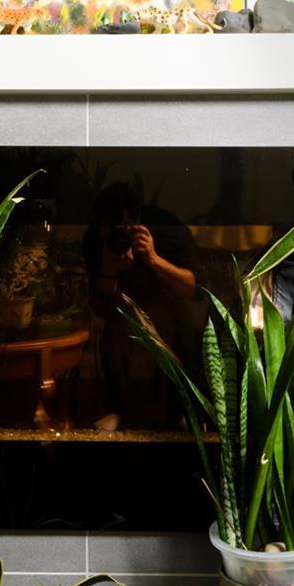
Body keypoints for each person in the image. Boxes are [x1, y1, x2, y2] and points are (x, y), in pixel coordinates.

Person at [83, 181, 201, 431]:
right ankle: (116, 409)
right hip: (123, 307)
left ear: (138, 218)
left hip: (167, 302)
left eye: (126, 224)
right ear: (101, 223)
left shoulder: (165, 229)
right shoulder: (96, 239)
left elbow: (192, 287)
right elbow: (101, 307)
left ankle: (183, 409)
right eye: (112, 224)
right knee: (114, 325)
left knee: (184, 321)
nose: (121, 231)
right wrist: (109, 268)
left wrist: (153, 259)